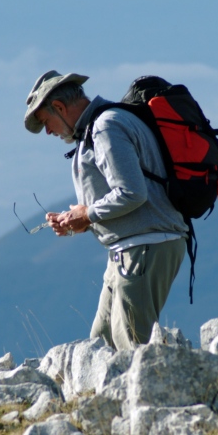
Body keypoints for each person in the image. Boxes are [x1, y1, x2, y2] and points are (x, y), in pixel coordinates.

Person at [24, 70, 189, 350]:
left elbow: (132, 193)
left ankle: (152, 394)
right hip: (131, 249)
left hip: (144, 247)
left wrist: (87, 215)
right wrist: (76, 218)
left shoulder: (106, 127)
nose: (49, 131)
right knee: (101, 346)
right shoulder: (99, 127)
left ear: (60, 108)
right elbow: (120, 195)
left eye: (46, 121)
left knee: (132, 351)